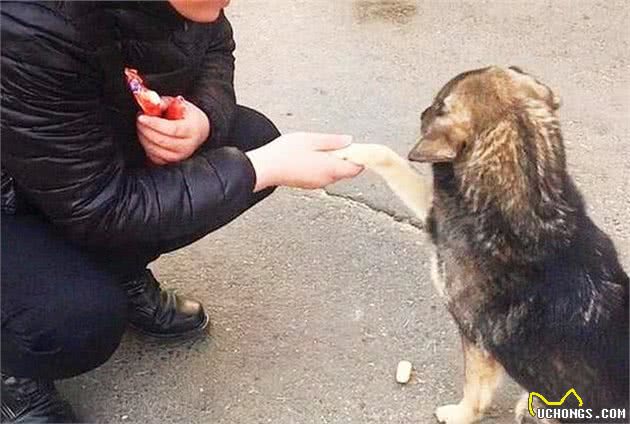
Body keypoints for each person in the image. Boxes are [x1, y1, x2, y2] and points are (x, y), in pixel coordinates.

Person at [0, 1, 363, 422]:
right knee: (77, 319)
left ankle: (118, 268)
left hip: (65, 162)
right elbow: (100, 207)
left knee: (248, 137)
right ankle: (15, 370)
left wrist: (204, 116)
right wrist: (259, 169)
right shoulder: (31, 24)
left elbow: (215, 43)